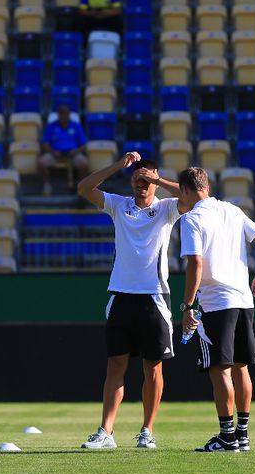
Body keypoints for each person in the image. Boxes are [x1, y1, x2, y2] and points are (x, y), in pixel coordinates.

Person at [76, 152, 185, 450]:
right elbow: (84, 188)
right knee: (115, 365)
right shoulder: (119, 205)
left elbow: (196, 197)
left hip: (154, 298)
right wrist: (117, 166)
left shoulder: (167, 209)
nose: (143, 183)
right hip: (121, 296)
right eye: (139, 178)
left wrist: (158, 179)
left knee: (153, 368)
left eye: (148, 179)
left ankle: (147, 431)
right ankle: (106, 432)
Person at [177, 167, 255, 453]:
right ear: (206, 185)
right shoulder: (231, 210)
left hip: (217, 302)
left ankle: (226, 437)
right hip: (244, 299)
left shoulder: (192, 219)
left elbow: (195, 263)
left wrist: (187, 305)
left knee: (219, 369)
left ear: (184, 190)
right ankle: (242, 435)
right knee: (241, 367)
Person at [38, 103, 89, 195]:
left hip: (72, 154)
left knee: (84, 164)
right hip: (55, 154)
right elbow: (45, 144)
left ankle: (79, 185)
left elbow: (84, 145)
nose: (63, 116)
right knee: (42, 162)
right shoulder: (51, 126)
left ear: (69, 114)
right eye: (61, 113)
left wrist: (76, 151)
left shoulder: (76, 126)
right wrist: (53, 152)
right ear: (58, 115)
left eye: (65, 113)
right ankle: (47, 185)